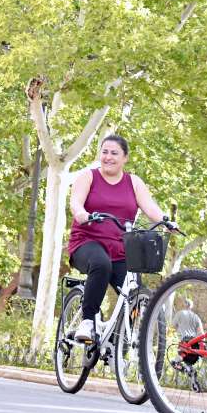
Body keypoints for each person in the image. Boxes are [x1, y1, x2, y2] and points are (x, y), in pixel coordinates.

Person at [66, 134, 174, 343]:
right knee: (101, 264)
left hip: (121, 248)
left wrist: (167, 222)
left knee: (133, 290)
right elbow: (76, 203)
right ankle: (88, 321)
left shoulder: (133, 182)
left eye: (114, 153)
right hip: (87, 242)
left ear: (125, 157)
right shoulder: (88, 177)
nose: (108, 157)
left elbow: (150, 208)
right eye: (104, 152)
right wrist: (82, 214)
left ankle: (122, 340)